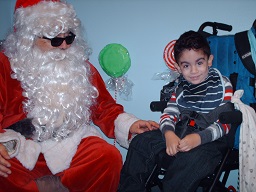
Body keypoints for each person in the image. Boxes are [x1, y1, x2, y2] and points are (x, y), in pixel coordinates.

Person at [0, 0, 159, 192]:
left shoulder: (79, 66)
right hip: (21, 147)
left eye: (69, 38)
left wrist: (130, 125)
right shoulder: (5, 65)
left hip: (71, 144)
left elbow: (103, 107)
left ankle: (58, 184)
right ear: (29, 38)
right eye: (56, 40)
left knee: (108, 156)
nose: (65, 47)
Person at [118, 30, 234, 191]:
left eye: (199, 63)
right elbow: (169, 113)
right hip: (181, 130)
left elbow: (225, 124)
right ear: (178, 67)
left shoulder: (222, 85)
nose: (193, 71)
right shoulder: (180, 87)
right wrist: (169, 134)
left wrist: (198, 139)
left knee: (191, 159)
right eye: (186, 65)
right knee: (141, 141)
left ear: (209, 61)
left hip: (211, 140)